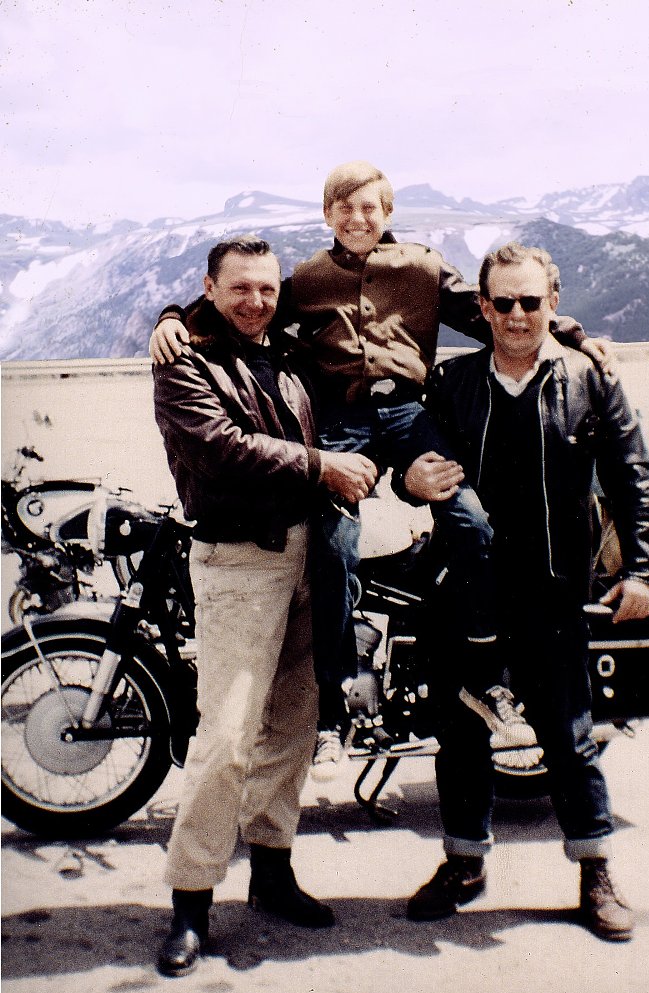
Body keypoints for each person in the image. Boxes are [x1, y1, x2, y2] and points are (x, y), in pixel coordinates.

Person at [150, 161, 610, 779]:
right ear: (327, 215)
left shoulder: (421, 266)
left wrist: (576, 337)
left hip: (409, 417)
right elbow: (243, 304)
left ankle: (484, 668)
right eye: (344, 208)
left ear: (388, 212)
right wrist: (173, 318)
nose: (357, 219)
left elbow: (496, 312)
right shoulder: (307, 278)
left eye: (370, 207)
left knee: (471, 522)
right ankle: (336, 706)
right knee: (334, 548)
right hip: (340, 425)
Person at [400, 241, 649, 942]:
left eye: (530, 302)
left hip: (551, 587)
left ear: (552, 304)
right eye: (502, 302)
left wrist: (640, 571)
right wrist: (406, 481)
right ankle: (463, 863)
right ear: (481, 308)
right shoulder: (450, 383)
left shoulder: (588, 379)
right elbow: (415, 463)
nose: (517, 316)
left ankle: (594, 872)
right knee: (460, 732)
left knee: (568, 735)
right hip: (467, 584)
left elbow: (634, 479)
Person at [151, 235, 378, 977]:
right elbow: (220, 445)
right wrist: (322, 465)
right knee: (226, 735)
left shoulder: (280, 351)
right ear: (210, 290)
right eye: (240, 288)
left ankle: (272, 874)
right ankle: (191, 901)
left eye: (267, 290)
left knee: (294, 723)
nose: (255, 301)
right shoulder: (183, 363)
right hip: (239, 563)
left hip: (307, 554)